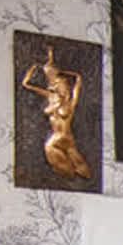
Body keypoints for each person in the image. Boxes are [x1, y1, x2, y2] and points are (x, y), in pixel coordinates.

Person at [21, 43, 91, 179]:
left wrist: (68, 73)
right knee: (76, 168)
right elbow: (26, 84)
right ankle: (74, 174)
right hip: (64, 139)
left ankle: (72, 174)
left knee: (75, 168)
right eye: (58, 85)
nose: (61, 87)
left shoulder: (67, 101)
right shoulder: (55, 98)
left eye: (63, 85)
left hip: (60, 139)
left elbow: (78, 81)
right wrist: (43, 61)